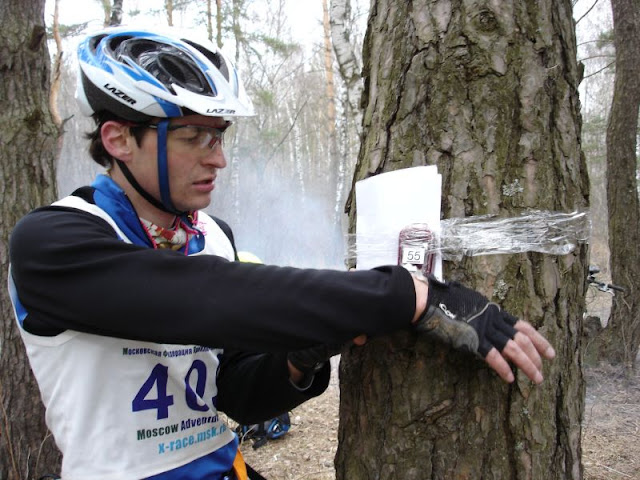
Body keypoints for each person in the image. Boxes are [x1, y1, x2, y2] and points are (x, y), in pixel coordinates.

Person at [7, 27, 555, 480]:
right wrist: (407, 294)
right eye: (194, 137)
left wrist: (299, 357)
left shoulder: (212, 234)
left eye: (220, 136)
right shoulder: (52, 244)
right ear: (118, 139)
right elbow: (207, 296)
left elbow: (233, 392)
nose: (218, 159)